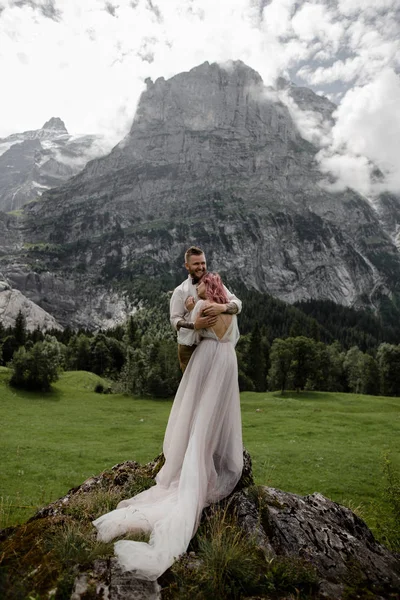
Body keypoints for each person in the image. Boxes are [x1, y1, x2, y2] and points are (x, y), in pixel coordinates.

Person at [93, 272, 243, 581]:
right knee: (218, 412)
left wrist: (192, 312)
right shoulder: (227, 305)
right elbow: (231, 327)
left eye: (201, 284)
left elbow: (190, 337)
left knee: (197, 413)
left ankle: (193, 463)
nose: (197, 286)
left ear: (206, 288)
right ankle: (212, 456)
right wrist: (220, 307)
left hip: (207, 362)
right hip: (228, 361)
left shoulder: (202, 305)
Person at [170, 246, 242, 372]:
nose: (201, 267)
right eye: (196, 264)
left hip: (212, 345)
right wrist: (194, 325)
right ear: (187, 266)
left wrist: (222, 307)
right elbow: (174, 320)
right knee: (192, 388)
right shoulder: (180, 291)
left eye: (203, 263)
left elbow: (238, 304)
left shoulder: (214, 283)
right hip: (189, 347)